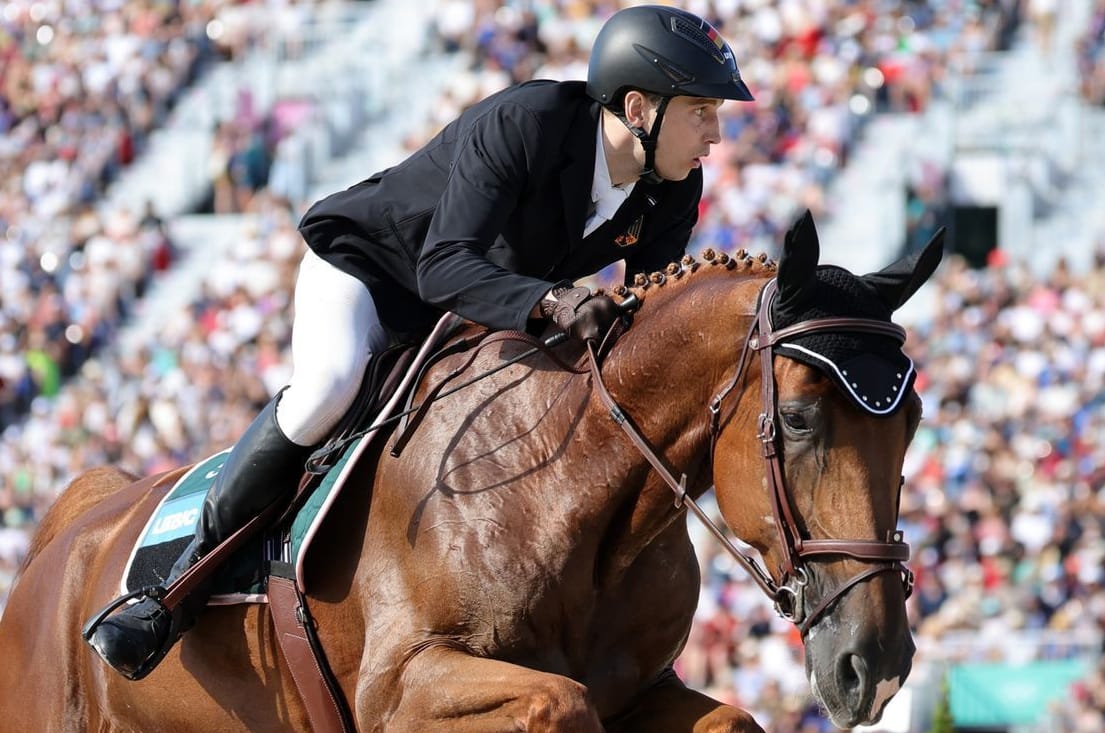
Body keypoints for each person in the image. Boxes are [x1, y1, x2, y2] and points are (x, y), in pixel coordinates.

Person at [85, 4, 753, 680]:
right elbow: (442, 264)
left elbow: (643, 320)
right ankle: (172, 591)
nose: (717, 134)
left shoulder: (673, 189)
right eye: (701, 111)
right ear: (638, 108)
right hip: (375, 274)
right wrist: (550, 300)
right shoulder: (529, 123)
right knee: (327, 389)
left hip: (474, 314)